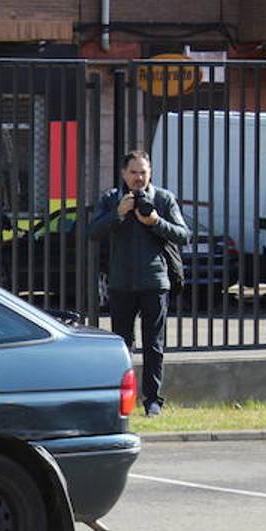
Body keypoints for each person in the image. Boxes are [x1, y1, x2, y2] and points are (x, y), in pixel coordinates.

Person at [88, 150, 190, 416]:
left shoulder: (164, 199)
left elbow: (184, 235)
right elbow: (92, 232)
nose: (138, 178)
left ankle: (153, 400)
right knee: (122, 345)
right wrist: (117, 214)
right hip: (121, 283)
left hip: (155, 282)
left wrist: (156, 222)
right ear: (124, 174)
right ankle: (123, 399)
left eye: (143, 172)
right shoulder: (112, 199)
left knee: (154, 343)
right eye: (133, 172)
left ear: (150, 173)